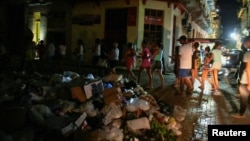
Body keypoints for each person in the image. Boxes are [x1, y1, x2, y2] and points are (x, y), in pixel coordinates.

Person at [231, 36, 250, 118]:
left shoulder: (247, 54)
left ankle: (241, 114)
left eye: (245, 42)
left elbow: (248, 69)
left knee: (243, 99)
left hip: (246, 80)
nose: (245, 44)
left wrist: (249, 83)